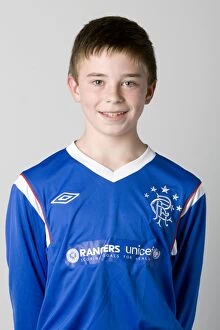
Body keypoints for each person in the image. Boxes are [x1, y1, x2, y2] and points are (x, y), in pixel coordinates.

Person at [5, 16, 206, 330]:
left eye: (129, 82)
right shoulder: (34, 189)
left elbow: (182, 303)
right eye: (97, 81)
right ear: (75, 86)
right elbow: (28, 304)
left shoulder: (184, 191)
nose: (113, 95)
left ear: (149, 90)